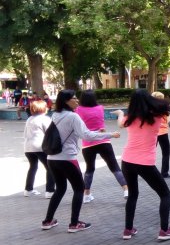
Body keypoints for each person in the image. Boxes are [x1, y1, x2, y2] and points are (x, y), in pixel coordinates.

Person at [41, 90, 120, 232]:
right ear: (66, 101)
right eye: (74, 98)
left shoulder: (55, 115)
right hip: (67, 158)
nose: (77, 100)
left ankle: (47, 221)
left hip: (52, 158)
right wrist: (110, 135)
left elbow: (82, 133)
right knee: (79, 189)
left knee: (60, 189)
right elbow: (86, 135)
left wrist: (99, 133)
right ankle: (74, 223)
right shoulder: (73, 116)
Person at [113, 90, 170, 241]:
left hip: (127, 161)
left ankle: (128, 230)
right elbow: (167, 107)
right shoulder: (156, 116)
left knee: (132, 195)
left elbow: (120, 124)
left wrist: (120, 113)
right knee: (165, 194)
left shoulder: (130, 118)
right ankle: (164, 230)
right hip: (145, 162)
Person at [75, 90, 129, 203]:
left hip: (88, 143)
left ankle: (86, 195)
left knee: (89, 169)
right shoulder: (100, 108)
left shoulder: (78, 110)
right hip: (103, 140)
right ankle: (126, 189)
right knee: (114, 166)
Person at [23, 100, 55, 198]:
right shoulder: (45, 119)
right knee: (50, 168)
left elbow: (25, 134)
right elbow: (50, 133)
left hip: (28, 147)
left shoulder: (29, 119)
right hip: (41, 147)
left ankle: (28, 189)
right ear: (43, 108)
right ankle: (50, 191)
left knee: (33, 167)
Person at [151, 91, 170, 178]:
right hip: (163, 133)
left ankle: (149, 171)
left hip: (153, 133)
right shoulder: (165, 108)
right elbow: (169, 119)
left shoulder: (150, 108)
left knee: (150, 152)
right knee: (166, 153)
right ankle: (164, 173)